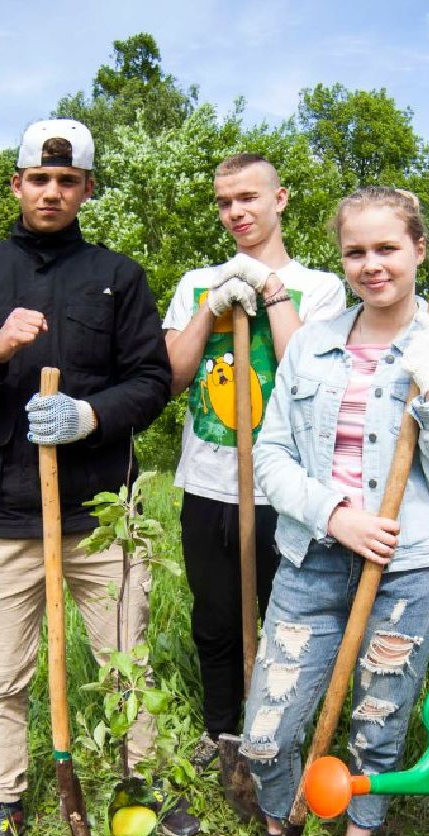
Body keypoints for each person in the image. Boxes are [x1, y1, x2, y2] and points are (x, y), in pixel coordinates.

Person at [0, 118, 196, 836]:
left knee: (124, 662)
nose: (51, 191)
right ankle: (7, 803)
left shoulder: (118, 276)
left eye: (67, 181)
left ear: (86, 190)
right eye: (39, 178)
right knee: (4, 675)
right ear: (16, 185)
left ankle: (140, 783)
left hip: (102, 513)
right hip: (4, 519)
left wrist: (90, 416)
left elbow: (151, 380)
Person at [238, 187, 429, 836]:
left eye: (387, 248)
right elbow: (274, 452)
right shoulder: (314, 340)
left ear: (418, 249)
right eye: (356, 251)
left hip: (407, 572)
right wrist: (336, 513)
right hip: (313, 557)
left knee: (379, 718)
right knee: (264, 731)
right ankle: (280, 827)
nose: (371, 265)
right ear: (340, 258)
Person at [161, 154, 347, 779]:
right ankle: (222, 732)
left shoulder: (320, 287)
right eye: (223, 202)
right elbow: (173, 376)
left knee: (285, 623)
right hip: (209, 484)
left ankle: (276, 740)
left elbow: (308, 376)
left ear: (280, 200)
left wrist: (270, 291)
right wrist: (210, 308)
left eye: (248, 198)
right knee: (214, 620)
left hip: (283, 490)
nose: (235, 212)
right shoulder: (194, 282)